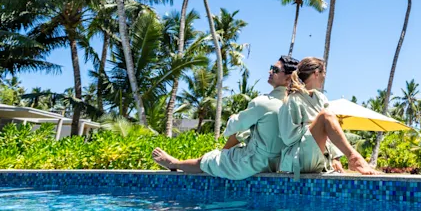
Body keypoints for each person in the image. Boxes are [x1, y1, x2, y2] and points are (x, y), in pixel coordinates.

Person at [151, 56, 296, 179]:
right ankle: (222, 155)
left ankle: (174, 163)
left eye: (275, 70)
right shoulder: (295, 103)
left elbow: (233, 126)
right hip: (277, 163)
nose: (270, 71)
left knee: (206, 160)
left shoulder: (264, 103)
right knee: (242, 134)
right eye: (271, 67)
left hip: (254, 163)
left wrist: (233, 117)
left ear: (288, 78)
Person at [278, 56, 381, 176]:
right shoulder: (292, 100)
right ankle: (354, 158)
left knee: (327, 116)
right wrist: (315, 126)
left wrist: (335, 158)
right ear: (316, 73)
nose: (324, 77)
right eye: (324, 73)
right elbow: (287, 137)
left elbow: (331, 130)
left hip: (319, 158)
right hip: (299, 158)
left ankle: (349, 158)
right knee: (326, 115)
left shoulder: (321, 98)